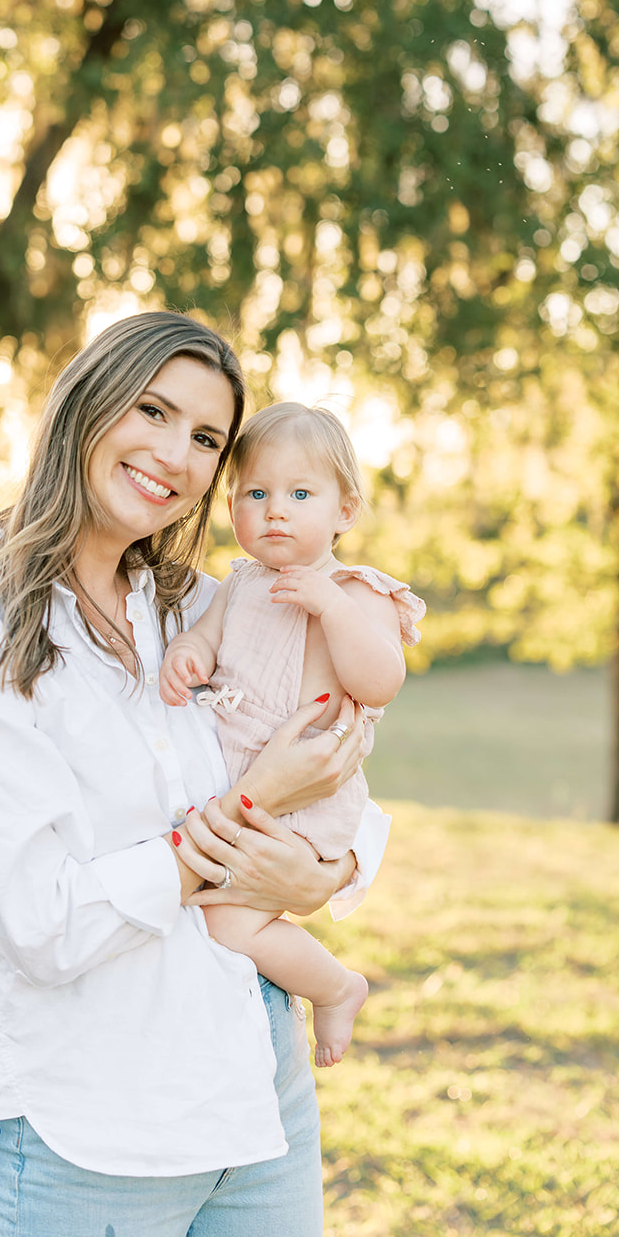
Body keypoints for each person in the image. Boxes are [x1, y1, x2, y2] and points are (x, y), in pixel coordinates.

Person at [0, 313, 391, 1237]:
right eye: (152, 410)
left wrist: (322, 865)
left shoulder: (198, 609)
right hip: (90, 1136)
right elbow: (46, 924)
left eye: (205, 438)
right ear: (84, 403)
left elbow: (337, 751)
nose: (174, 454)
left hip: (255, 1104)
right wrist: (246, 810)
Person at [159, 403, 425, 1067]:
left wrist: (329, 607)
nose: (275, 510)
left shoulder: (357, 591)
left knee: (221, 918)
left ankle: (335, 987)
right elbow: (207, 638)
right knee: (194, 900)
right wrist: (187, 654)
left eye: (299, 494)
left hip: (305, 800)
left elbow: (380, 681)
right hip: (243, 787)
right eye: (256, 493)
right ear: (231, 509)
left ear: (344, 511)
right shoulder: (241, 583)